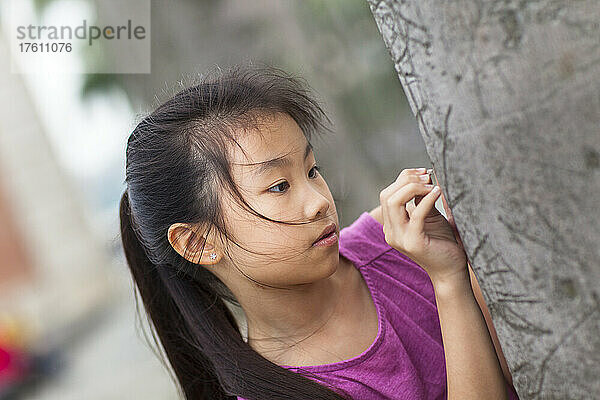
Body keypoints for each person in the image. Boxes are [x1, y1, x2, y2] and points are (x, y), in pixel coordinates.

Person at [119, 63, 520, 399]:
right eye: (279, 186)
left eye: (312, 170)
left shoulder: (407, 240)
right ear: (199, 242)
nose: (319, 201)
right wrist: (449, 282)